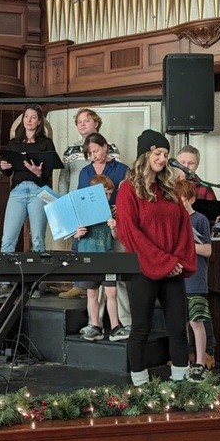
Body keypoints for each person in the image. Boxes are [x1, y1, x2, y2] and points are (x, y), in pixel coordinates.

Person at [116, 129, 196, 386]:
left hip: (173, 268)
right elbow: (130, 233)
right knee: (141, 328)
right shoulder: (128, 190)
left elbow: (184, 228)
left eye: (165, 154)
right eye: (158, 153)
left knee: (178, 329)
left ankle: (181, 384)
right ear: (145, 154)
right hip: (143, 269)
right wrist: (165, 262)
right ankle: (141, 386)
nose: (162, 159)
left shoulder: (170, 190)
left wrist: (177, 261)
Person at [0, 104, 56, 300]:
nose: (29, 120)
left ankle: (36, 284)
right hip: (18, 191)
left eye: (33, 117)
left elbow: (49, 172)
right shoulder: (14, 143)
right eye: (26, 116)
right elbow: (9, 172)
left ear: (39, 121)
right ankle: (4, 283)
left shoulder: (46, 143)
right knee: (8, 238)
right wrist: (5, 167)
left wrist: (39, 172)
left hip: (38, 190)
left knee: (37, 239)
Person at [58, 107, 120, 299]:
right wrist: (63, 202)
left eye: (86, 120)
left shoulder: (111, 147)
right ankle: (79, 284)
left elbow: (117, 178)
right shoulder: (70, 149)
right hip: (78, 203)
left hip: (104, 206)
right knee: (78, 244)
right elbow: (64, 178)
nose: (82, 124)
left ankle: (103, 287)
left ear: (96, 123)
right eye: (79, 122)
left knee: (103, 244)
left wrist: (118, 204)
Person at [76, 132, 131, 334]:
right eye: (90, 153)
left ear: (105, 147)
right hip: (90, 235)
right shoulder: (85, 172)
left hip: (114, 226)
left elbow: (130, 195)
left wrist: (119, 209)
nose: (94, 155)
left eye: (96, 150)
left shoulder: (121, 169)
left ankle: (122, 322)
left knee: (116, 283)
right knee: (93, 289)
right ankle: (95, 323)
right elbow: (80, 199)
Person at [176, 144, 217, 369]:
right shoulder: (169, 187)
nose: (186, 166)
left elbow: (209, 236)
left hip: (196, 271)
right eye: (182, 162)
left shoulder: (204, 193)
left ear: (197, 165)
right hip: (177, 271)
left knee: (198, 317)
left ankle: (205, 356)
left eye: (190, 163)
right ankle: (185, 357)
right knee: (180, 318)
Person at [174, 179, 213, 382]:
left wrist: (185, 246)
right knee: (179, 322)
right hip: (176, 277)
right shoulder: (173, 219)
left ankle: (200, 362)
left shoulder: (200, 220)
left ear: (191, 199)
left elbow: (207, 250)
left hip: (195, 278)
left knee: (196, 321)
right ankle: (183, 361)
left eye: (182, 199)